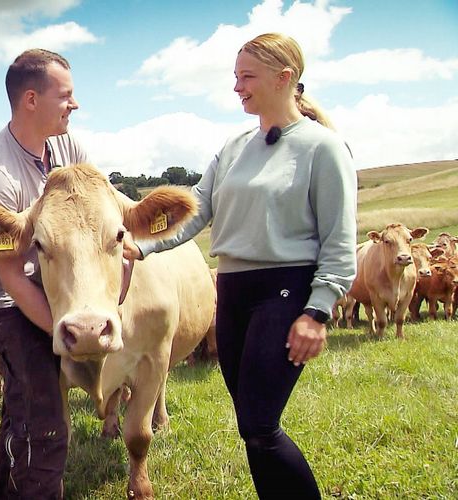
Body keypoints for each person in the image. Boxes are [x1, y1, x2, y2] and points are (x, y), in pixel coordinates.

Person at [123, 33, 357, 499]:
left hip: (284, 291)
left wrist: (317, 312)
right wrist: (141, 246)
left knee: (260, 423)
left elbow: (340, 240)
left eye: (246, 77)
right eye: (235, 77)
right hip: (230, 293)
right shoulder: (232, 148)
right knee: (250, 425)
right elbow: (196, 211)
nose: (236, 88)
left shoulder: (321, 148)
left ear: (284, 78)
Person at [0, 48, 87, 499]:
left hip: (47, 288)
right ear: (31, 99)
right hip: (6, 305)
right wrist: (64, 330)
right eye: (67, 95)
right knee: (46, 426)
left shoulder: (67, 146)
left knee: (23, 406)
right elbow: (11, 276)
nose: (75, 105)